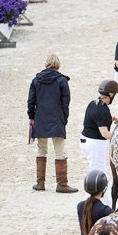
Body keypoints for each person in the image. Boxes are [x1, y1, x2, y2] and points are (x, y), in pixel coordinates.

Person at [27, 53, 78, 193]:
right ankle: (61, 184)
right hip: (57, 119)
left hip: (40, 119)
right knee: (60, 151)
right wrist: (64, 119)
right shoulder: (62, 81)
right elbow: (65, 103)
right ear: (58, 65)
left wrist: (31, 117)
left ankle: (40, 183)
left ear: (46, 64)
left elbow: (31, 102)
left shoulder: (36, 80)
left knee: (41, 150)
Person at [79, 79, 118, 207]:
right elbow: (105, 133)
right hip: (95, 145)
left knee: (99, 174)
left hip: (87, 141)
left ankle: (107, 203)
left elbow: (97, 121)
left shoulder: (93, 103)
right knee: (98, 176)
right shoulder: (103, 110)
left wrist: (111, 119)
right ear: (111, 95)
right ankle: (89, 204)